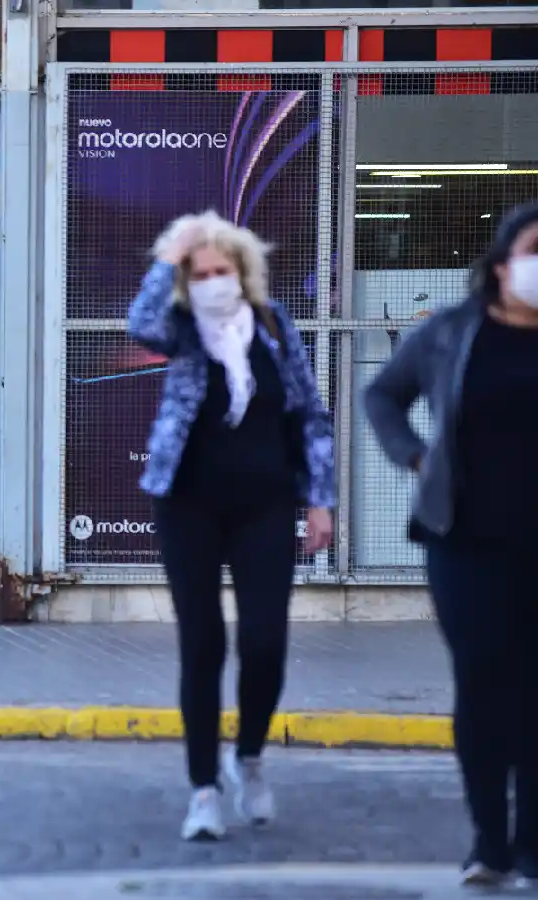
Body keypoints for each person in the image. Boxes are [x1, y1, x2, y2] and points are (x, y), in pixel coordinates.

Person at [127, 211, 335, 842]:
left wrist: (320, 500)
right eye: (200, 274)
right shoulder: (181, 329)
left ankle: (248, 756)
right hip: (187, 504)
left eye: (222, 270)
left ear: (243, 272)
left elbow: (309, 413)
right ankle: (203, 790)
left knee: (265, 643)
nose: (213, 282)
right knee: (202, 645)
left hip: (265, 505)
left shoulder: (274, 327)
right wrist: (171, 255)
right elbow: (140, 323)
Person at [364, 202, 538, 888]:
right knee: (484, 681)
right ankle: (490, 840)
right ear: (502, 264)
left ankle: (532, 844)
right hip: (467, 543)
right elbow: (382, 396)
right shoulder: (451, 333)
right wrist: (414, 456)